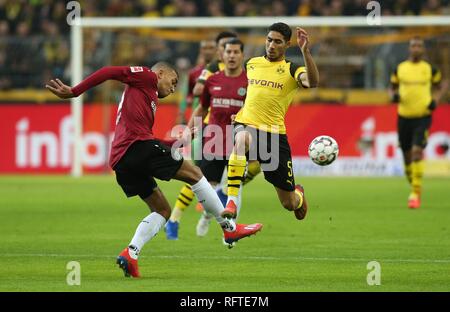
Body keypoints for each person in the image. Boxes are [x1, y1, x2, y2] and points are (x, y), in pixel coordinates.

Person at [45, 63, 262, 278]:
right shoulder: (147, 77)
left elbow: (148, 141)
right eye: (173, 81)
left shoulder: (144, 96)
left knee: (162, 210)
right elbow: (109, 71)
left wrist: (178, 141)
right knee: (196, 174)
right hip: (137, 149)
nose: (174, 88)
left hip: (122, 160)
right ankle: (228, 228)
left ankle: (131, 253)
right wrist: (74, 91)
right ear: (160, 73)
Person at [222, 23, 319, 221]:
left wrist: (305, 51)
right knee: (241, 140)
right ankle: (231, 201)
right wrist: (239, 111)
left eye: (277, 41)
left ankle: (298, 195)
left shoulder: (292, 69)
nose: (271, 45)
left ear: (287, 44)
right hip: (246, 124)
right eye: (269, 40)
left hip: (274, 136)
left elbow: (312, 82)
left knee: (289, 204)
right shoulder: (252, 64)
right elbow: (247, 93)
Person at [186, 38, 248, 239]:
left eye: (235, 52)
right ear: (223, 55)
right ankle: (206, 215)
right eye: (228, 52)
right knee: (207, 188)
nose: (231, 55)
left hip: (237, 141)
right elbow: (202, 107)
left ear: (242, 55)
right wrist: (189, 129)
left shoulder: (249, 83)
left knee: (234, 187)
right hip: (213, 140)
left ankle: (231, 231)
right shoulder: (212, 81)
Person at [389, 36, 445, 209]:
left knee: (416, 152)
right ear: (409, 48)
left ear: (423, 49)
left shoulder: (430, 69)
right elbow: (391, 87)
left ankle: (415, 193)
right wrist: (394, 96)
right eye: (413, 46)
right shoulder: (400, 68)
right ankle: (413, 182)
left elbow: (441, 85)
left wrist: (435, 100)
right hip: (404, 116)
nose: (416, 49)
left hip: (423, 116)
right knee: (406, 158)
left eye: (419, 46)